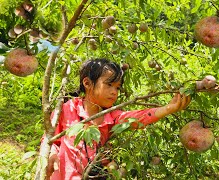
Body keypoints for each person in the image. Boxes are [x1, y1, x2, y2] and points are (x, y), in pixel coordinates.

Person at [44, 58, 191, 179]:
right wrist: (51, 154)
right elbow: (50, 139)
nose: (114, 92)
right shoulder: (67, 109)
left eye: (117, 87)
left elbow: (135, 118)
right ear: (87, 83)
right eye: (109, 85)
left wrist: (167, 109)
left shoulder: (111, 116)